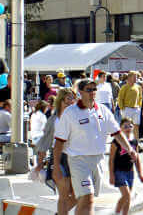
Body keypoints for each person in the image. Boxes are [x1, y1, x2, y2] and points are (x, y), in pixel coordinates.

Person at [54, 78, 136, 215]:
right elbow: (59, 142)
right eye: (89, 89)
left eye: (94, 89)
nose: (92, 92)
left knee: (88, 200)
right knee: (87, 197)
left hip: (98, 160)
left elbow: (117, 133)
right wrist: (56, 166)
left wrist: (129, 149)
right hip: (78, 160)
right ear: (80, 92)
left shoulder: (103, 110)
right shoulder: (71, 112)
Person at [35, 88, 77, 215]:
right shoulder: (54, 120)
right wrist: (40, 162)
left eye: (72, 99)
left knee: (78, 195)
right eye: (67, 99)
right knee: (63, 195)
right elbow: (44, 142)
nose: (70, 102)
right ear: (61, 101)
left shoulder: (76, 118)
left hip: (74, 158)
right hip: (58, 159)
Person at [109, 118, 143, 215]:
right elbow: (111, 160)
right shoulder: (116, 142)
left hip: (130, 172)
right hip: (119, 171)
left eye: (130, 126)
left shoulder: (134, 142)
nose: (128, 128)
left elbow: (137, 159)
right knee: (127, 195)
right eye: (125, 126)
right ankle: (117, 213)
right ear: (120, 128)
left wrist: (140, 174)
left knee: (127, 197)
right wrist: (111, 175)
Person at [117, 71, 143, 145]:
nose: (136, 78)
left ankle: (136, 142)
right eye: (134, 77)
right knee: (125, 126)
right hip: (127, 108)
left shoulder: (138, 87)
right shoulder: (124, 87)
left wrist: (139, 106)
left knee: (136, 126)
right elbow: (120, 98)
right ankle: (125, 142)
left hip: (136, 108)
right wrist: (122, 108)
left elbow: (140, 97)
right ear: (129, 77)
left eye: (136, 77)